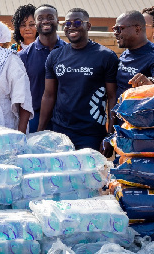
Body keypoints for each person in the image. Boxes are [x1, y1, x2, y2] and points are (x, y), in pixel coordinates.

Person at [38, 8, 119, 153]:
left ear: (88, 26)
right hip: (60, 132)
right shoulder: (55, 56)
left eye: (77, 22)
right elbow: (49, 95)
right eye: (67, 24)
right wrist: (40, 131)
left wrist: (110, 136)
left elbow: (113, 97)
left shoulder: (106, 56)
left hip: (91, 134)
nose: (71, 27)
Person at [18, 4, 68, 133]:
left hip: (66, 118)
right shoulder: (23, 56)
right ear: (35, 23)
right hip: (35, 118)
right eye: (41, 18)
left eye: (50, 17)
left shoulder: (70, 52)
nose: (45, 21)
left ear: (58, 20)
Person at [114, 10, 154, 97]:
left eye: (119, 29)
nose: (116, 33)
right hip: (120, 109)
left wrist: (151, 82)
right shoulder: (126, 53)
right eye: (115, 29)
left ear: (137, 29)